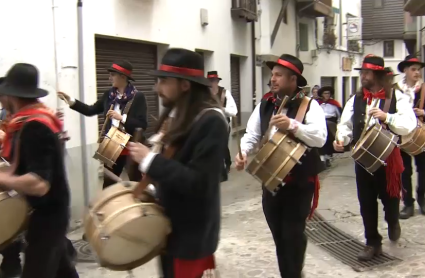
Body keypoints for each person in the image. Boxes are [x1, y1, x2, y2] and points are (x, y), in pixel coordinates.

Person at [127, 48, 228, 278]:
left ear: (185, 85)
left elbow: (199, 183)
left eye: (163, 81)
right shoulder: (175, 114)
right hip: (169, 227)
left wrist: (150, 160)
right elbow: (172, 166)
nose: (157, 88)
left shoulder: (212, 120)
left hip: (191, 234)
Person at [234, 54, 327, 277]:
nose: (272, 79)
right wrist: (243, 152)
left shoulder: (310, 106)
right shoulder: (265, 105)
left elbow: (321, 138)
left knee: (292, 234)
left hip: (300, 183)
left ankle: (292, 273)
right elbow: (252, 134)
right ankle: (291, 270)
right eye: (272, 75)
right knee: (279, 234)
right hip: (271, 181)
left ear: (293, 79)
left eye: (278, 75)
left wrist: (294, 126)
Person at [334, 55, 416, 261]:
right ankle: (373, 243)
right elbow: (345, 125)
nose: (363, 76)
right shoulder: (356, 99)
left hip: (389, 159)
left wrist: (386, 117)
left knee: (390, 201)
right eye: (362, 72)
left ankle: (393, 221)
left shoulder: (398, 97)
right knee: (366, 202)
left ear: (378, 75)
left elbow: (409, 125)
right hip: (363, 160)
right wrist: (341, 139)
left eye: (367, 73)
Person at [0, 63, 78, 278]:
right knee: (63, 270)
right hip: (46, 212)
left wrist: (4, 180)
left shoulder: (34, 126)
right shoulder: (27, 122)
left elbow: (40, 183)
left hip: (48, 215)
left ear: (10, 95)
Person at [58, 60, 148, 189]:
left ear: (123, 77)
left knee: (136, 183)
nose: (109, 78)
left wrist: (121, 118)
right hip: (112, 142)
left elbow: (142, 124)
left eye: (112, 75)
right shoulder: (109, 95)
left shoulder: (138, 97)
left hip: (131, 144)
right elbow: (90, 110)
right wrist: (71, 101)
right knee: (108, 183)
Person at [395, 55, 425, 219]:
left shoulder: (424, 89)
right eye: (413, 69)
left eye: (418, 70)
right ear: (405, 70)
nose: (417, 73)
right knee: (404, 172)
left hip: (422, 137)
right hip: (402, 136)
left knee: (424, 171)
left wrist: (423, 112)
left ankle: (422, 198)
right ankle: (408, 203)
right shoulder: (395, 90)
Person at [207, 70, 238, 180]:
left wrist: (222, 109)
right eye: (209, 81)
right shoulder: (204, 94)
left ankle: (225, 168)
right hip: (208, 125)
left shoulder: (225, 93)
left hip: (223, 124)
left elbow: (234, 111)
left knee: (221, 146)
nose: (211, 83)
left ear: (217, 81)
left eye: (213, 81)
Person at [317, 86, 342, 168]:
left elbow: (339, 116)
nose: (327, 95)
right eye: (325, 93)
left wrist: (339, 126)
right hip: (320, 123)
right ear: (322, 94)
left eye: (328, 93)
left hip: (331, 124)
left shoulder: (334, 104)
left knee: (329, 140)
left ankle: (328, 157)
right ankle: (322, 158)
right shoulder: (318, 104)